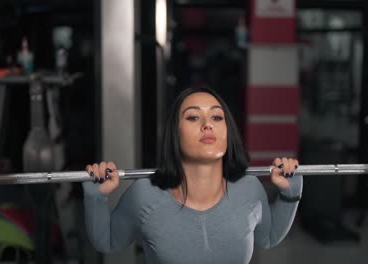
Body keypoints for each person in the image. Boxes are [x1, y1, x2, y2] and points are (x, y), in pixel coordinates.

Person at [83, 87, 303, 264]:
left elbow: (269, 238)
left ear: (228, 132)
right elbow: (108, 242)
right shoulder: (145, 195)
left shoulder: (249, 188)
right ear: (175, 133)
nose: (207, 125)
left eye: (217, 117)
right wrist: (95, 197)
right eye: (193, 117)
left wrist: (290, 195)